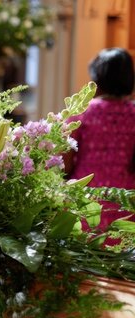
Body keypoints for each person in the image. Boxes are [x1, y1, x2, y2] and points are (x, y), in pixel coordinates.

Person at [66, 48, 135, 244]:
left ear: (98, 79)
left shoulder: (83, 111)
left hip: (86, 200)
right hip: (127, 204)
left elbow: (65, 162)